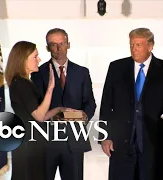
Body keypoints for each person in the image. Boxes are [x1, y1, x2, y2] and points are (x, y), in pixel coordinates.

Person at [99, 27, 163, 180]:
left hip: (154, 142)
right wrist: (104, 136)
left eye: (138, 45)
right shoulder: (116, 68)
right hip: (122, 142)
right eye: (131, 45)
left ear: (150, 46)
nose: (134, 49)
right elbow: (106, 104)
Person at [31, 28, 96, 180]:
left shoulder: (82, 72)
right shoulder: (38, 74)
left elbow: (90, 104)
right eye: (53, 45)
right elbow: (36, 107)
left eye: (62, 43)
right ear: (47, 48)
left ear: (68, 44)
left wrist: (83, 117)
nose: (58, 48)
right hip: (47, 141)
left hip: (74, 140)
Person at [5, 41, 71, 180]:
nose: (39, 60)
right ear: (23, 60)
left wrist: (59, 110)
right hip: (29, 145)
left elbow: (40, 114)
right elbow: (39, 116)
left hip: (31, 142)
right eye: (35, 57)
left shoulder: (24, 82)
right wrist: (51, 88)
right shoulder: (21, 84)